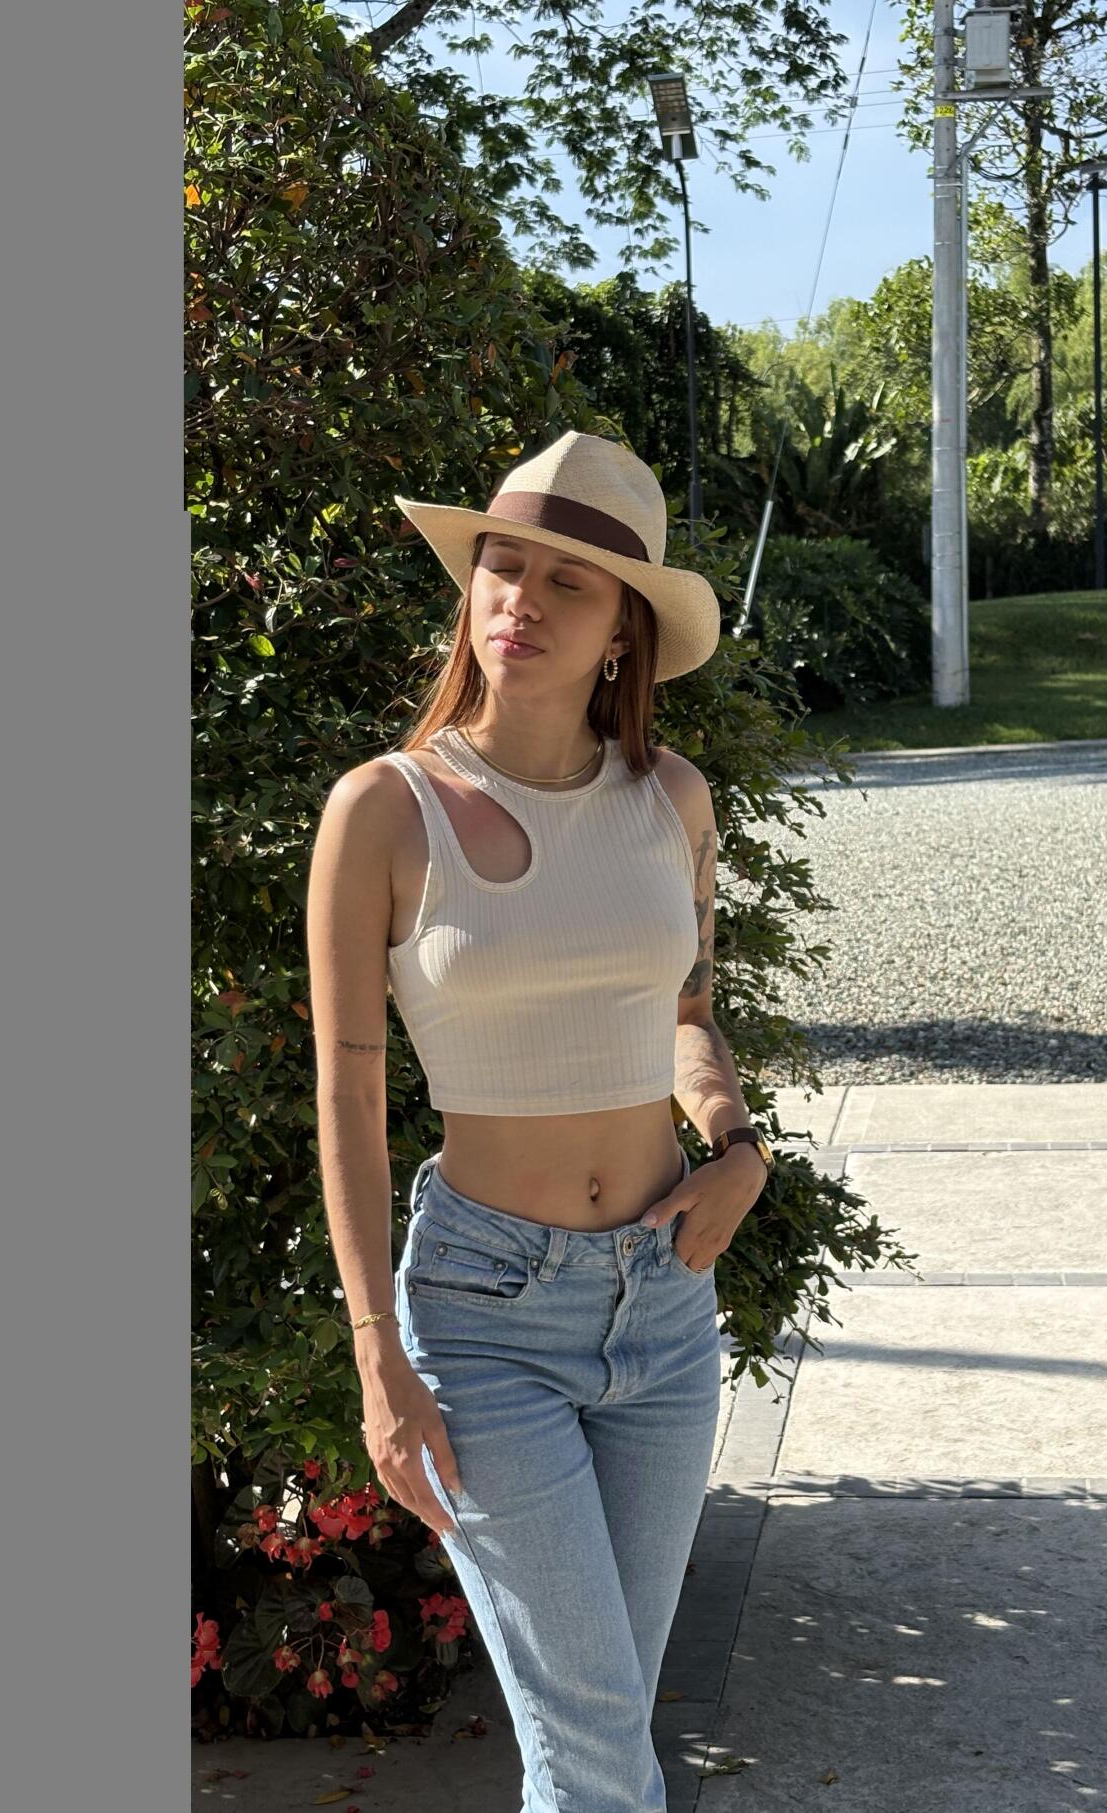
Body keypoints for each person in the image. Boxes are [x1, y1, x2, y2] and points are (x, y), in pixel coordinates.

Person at [305, 429, 776, 1813]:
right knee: (595, 1751)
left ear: (626, 628)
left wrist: (739, 1147)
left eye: (568, 581)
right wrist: (376, 1352)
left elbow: (687, 1013)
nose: (520, 599)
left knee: (600, 1729)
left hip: (663, 1303)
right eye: (501, 566)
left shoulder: (672, 800)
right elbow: (347, 1095)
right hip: (483, 1318)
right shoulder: (383, 814)